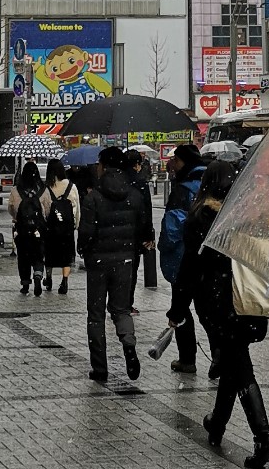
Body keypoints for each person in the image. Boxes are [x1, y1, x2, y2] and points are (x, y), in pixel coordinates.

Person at [177, 158, 269, 469]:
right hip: (249, 302)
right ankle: (217, 423)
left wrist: (178, 307)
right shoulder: (248, 214)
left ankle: (264, 440)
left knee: (240, 367)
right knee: (234, 363)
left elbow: (190, 268)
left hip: (221, 306)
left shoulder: (202, 218)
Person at [77, 146, 151, 385]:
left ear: (104, 166)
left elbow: (86, 231)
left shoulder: (93, 197)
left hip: (98, 261)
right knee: (121, 310)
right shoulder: (134, 195)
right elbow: (142, 227)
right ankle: (128, 344)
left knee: (96, 315)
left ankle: (100, 368)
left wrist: (84, 249)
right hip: (125, 260)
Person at [160, 142, 205, 375]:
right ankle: (219, 359)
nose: (173, 165)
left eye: (175, 160)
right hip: (209, 258)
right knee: (208, 310)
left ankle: (187, 359)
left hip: (184, 259)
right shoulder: (211, 184)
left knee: (181, 309)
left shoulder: (182, 188)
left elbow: (172, 228)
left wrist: (163, 247)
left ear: (184, 162)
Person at [9, 160, 48, 297]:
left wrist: (19, 217)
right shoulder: (43, 190)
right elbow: (48, 209)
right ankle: (37, 275)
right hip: (38, 230)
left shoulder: (16, 190)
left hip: (22, 229)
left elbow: (11, 208)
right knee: (39, 254)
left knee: (23, 257)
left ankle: (25, 283)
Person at [41, 158, 79, 295]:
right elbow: (77, 208)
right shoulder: (71, 186)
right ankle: (64, 280)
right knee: (66, 256)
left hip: (50, 228)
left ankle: (49, 278)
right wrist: (75, 225)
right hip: (67, 228)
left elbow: (44, 209)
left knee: (49, 254)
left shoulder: (46, 188)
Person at [125, 149, 157, 292]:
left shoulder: (119, 180)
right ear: (137, 164)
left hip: (120, 229)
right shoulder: (140, 182)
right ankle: (128, 302)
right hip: (136, 230)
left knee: (121, 268)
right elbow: (146, 209)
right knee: (133, 266)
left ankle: (118, 301)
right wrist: (149, 234)